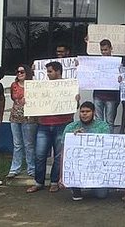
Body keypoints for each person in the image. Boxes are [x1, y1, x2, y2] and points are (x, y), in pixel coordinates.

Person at [27, 62, 79, 194]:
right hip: (43, 124)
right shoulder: (43, 86)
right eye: (47, 72)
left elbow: (75, 107)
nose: (48, 74)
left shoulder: (69, 86)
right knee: (39, 155)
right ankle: (39, 182)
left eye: (50, 71)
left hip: (62, 124)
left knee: (58, 155)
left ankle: (54, 181)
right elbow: (34, 99)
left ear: (58, 71)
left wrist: (76, 100)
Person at [60, 101, 110, 201]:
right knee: (77, 196)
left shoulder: (103, 126)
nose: (84, 114)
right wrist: (61, 176)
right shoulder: (70, 127)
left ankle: (92, 185)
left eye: (88, 111)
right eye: (82, 111)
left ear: (94, 112)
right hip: (77, 164)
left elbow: (107, 147)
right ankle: (76, 187)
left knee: (102, 195)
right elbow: (63, 153)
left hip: (97, 166)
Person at [6, 64, 37, 179]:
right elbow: (14, 98)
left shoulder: (34, 85)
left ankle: (31, 168)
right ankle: (15, 169)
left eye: (22, 72)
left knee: (29, 144)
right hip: (15, 117)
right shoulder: (13, 85)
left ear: (27, 73)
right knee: (17, 144)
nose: (19, 74)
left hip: (29, 118)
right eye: (18, 72)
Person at [93, 39, 120, 132]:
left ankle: (108, 141)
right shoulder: (96, 62)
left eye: (106, 49)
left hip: (111, 96)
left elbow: (122, 75)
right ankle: (99, 140)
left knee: (109, 121)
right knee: (98, 121)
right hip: (98, 95)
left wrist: (120, 76)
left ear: (111, 48)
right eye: (102, 50)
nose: (104, 52)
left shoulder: (117, 62)